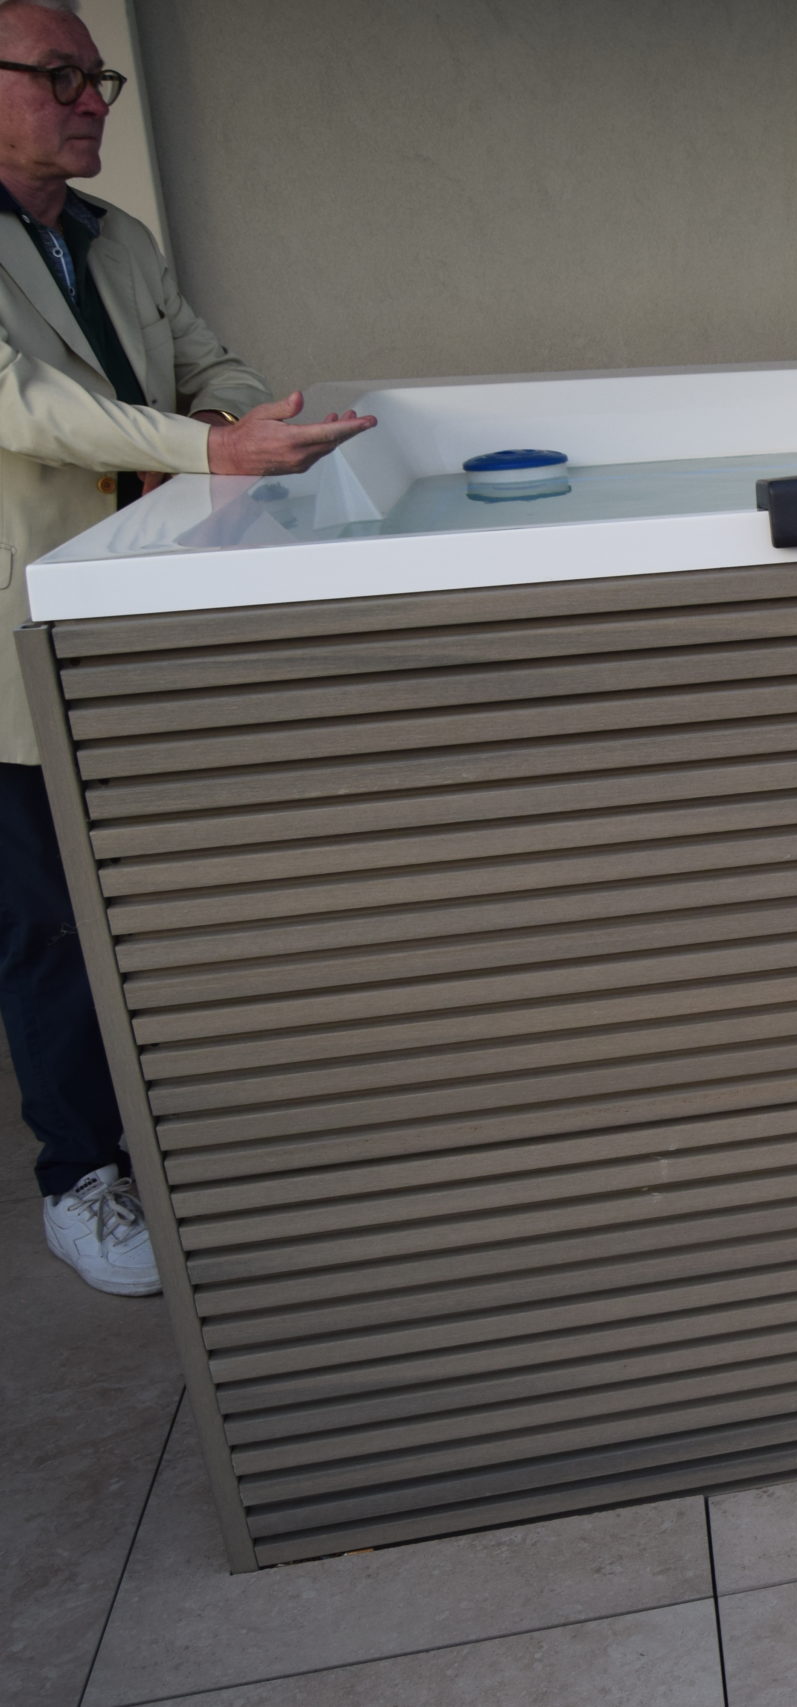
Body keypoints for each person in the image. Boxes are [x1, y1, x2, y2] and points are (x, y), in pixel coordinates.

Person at [0, 0, 373, 1294]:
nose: (89, 99)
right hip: (14, 637)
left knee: (152, 891)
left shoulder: (114, 238)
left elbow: (203, 360)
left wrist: (248, 420)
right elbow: (26, 405)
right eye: (59, 75)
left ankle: (196, 1127)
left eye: (97, 77)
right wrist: (208, 447)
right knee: (47, 923)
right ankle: (79, 1177)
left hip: (133, 617)